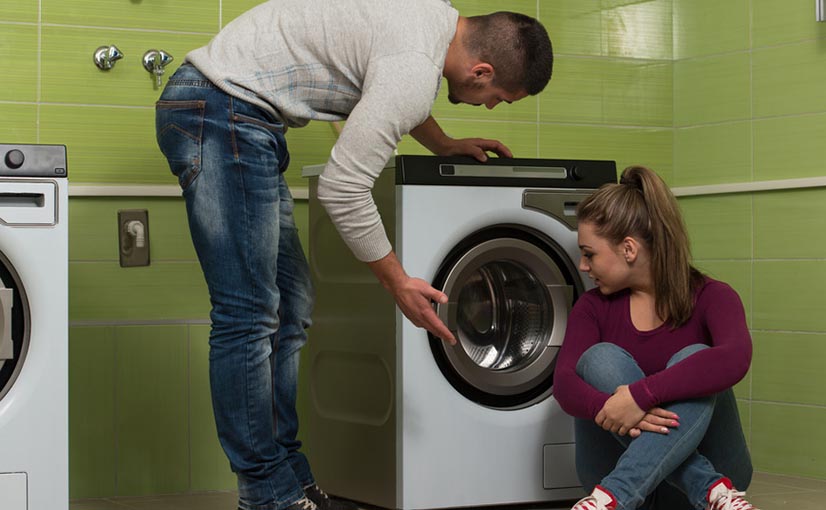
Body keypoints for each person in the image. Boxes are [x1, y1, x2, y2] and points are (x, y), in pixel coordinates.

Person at [153, 1, 553, 510]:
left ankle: (287, 474)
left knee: (290, 304)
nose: (492, 107)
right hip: (221, 111)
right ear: (481, 71)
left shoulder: (430, 23)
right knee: (248, 314)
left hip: (235, 114)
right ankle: (264, 494)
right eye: (498, 98)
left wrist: (441, 143)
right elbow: (343, 188)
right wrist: (398, 282)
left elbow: (390, 87)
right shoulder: (415, 67)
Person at [553, 165, 759, 510]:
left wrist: (639, 396)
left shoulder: (713, 296)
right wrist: (610, 407)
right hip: (637, 474)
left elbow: (735, 357)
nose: (583, 266)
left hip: (708, 468)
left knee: (696, 356)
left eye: (590, 253)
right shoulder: (592, 307)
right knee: (600, 358)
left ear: (629, 249)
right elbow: (564, 384)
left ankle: (613, 497)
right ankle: (710, 489)